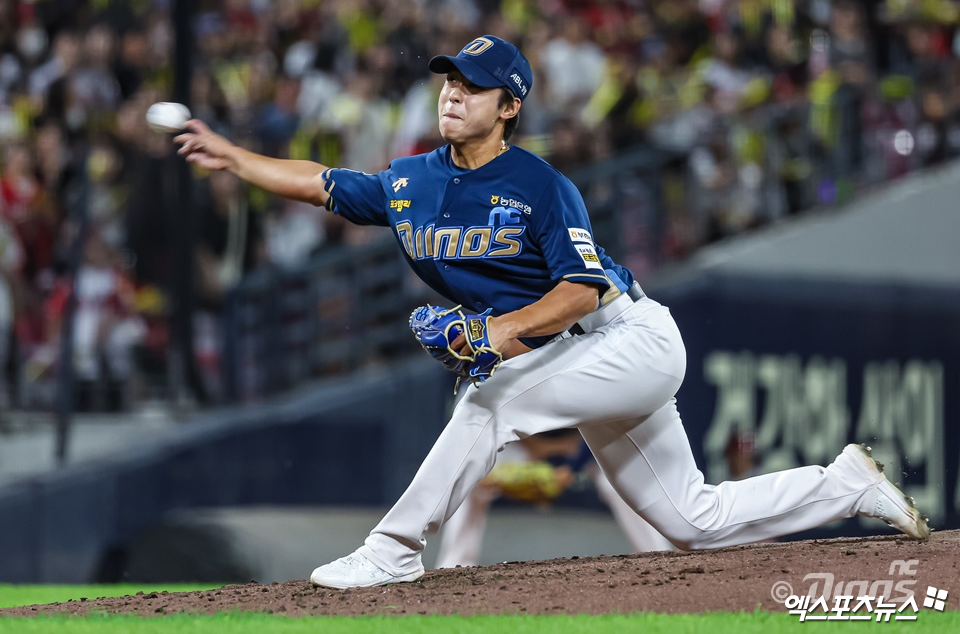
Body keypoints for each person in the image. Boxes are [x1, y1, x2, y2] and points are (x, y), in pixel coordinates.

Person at [174, 34, 930, 590]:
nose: (451, 94)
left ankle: (395, 547)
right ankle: (847, 485)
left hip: (626, 337)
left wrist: (495, 334)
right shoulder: (410, 183)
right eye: (447, 81)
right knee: (691, 522)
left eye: (470, 86)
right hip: (572, 357)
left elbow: (579, 289)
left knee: (491, 397)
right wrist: (237, 159)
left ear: (509, 106)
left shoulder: (539, 185)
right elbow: (321, 183)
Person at [435, 431, 674, 569]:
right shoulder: (499, 357)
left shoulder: (583, 351)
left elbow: (603, 422)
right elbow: (485, 419)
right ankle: (455, 565)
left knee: (624, 479)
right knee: (470, 478)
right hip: (519, 439)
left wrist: (572, 469)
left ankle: (657, 558)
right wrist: (536, 448)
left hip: (583, 441)